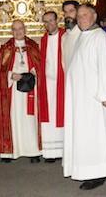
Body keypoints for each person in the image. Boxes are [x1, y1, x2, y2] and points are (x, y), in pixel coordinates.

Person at [63, 4, 106, 190]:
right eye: (78, 16)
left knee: (95, 135)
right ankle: (85, 169)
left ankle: (98, 173)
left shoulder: (100, 37)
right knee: (84, 135)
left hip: (94, 98)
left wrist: (105, 95)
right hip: (81, 98)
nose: (80, 19)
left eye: (84, 15)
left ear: (94, 16)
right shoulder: (83, 36)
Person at [0, 20, 41, 162]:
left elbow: (40, 66)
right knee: (13, 119)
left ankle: (33, 151)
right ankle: (10, 152)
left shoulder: (33, 46)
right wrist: (11, 75)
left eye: (20, 28)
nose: (18, 32)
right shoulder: (6, 48)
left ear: (25, 30)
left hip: (30, 88)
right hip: (12, 92)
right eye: (15, 29)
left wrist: (32, 73)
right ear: (11, 31)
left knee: (30, 119)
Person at [37, 11, 65, 162]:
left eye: (51, 21)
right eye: (45, 22)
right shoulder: (43, 40)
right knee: (49, 117)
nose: (49, 24)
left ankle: (63, 149)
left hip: (62, 82)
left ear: (57, 20)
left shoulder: (66, 36)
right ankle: (50, 152)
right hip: (47, 84)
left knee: (62, 115)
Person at [61, 0, 80, 70]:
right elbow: (64, 63)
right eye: (65, 12)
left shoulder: (84, 34)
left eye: (71, 11)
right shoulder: (64, 37)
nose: (68, 15)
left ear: (78, 12)